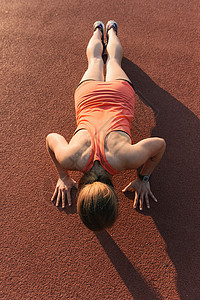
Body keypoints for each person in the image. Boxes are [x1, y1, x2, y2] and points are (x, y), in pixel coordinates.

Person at [46, 20, 166, 231]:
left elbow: (159, 144)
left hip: (120, 94)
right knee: (94, 61)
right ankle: (99, 28)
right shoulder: (69, 158)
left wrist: (143, 178)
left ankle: (111, 29)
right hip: (88, 95)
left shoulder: (128, 159)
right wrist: (63, 175)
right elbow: (51, 138)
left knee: (113, 62)